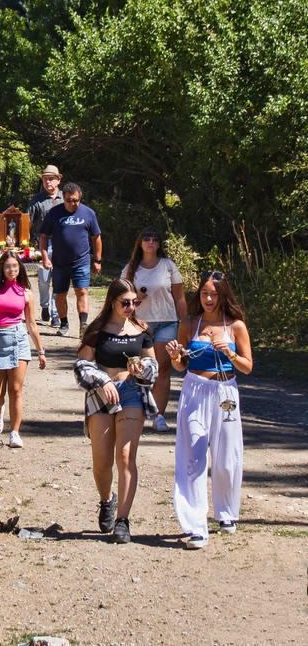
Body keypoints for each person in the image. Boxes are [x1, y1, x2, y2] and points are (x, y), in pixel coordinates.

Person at [166, 271, 253, 550]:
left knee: (227, 458)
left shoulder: (236, 326)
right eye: (204, 293)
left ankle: (226, 513)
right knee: (193, 453)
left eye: (214, 294)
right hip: (195, 390)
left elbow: (247, 366)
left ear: (223, 295)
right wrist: (175, 357)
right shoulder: (190, 324)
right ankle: (195, 525)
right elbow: (180, 365)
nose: (208, 299)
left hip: (225, 391)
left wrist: (230, 353)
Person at [74, 278, 158, 544]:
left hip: (132, 392)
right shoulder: (97, 330)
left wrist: (143, 370)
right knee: (102, 461)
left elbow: (153, 364)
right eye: (125, 303)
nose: (131, 307)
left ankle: (123, 520)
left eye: (134, 302)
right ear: (113, 302)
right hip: (101, 395)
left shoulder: (141, 329)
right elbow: (80, 365)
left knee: (125, 455)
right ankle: (106, 500)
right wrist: (102, 380)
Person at [0, 251, 46, 448]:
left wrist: (40, 351)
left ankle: (14, 432)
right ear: (1, 268)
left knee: (16, 389)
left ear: (20, 268)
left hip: (18, 339)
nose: (11, 270)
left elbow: (31, 324)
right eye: (8, 266)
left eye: (15, 266)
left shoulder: (26, 293)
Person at [121, 227, 188, 432]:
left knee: (162, 368)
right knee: (139, 370)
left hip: (167, 322)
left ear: (159, 244)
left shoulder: (168, 266)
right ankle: (134, 412)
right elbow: (119, 297)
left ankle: (158, 415)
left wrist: (186, 324)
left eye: (155, 239)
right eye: (146, 239)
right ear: (140, 243)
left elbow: (179, 297)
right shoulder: (131, 268)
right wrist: (134, 300)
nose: (151, 242)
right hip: (140, 324)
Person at [39, 182, 102, 337]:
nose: (73, 203)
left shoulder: (88, 213)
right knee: (60, 294)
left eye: (76, 200)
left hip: (81, 261)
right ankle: (64, 323)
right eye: (69, 200)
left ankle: (83, 325)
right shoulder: (54, 213)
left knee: (82, 291)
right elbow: (43, 236)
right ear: (64, 199)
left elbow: (96, 237)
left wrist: (98, 260)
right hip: (60, 263)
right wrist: (45, 257)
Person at [28, 165, 63, 328]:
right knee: (43, 279)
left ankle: (55, 314)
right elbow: (27, 222)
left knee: (58, 280)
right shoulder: (36, 200)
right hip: (42, 243)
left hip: (62, 244)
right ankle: (44, 306)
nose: (48, 181)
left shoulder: (66, 198)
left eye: (51, 178)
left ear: (58, 180)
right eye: (45, 178)